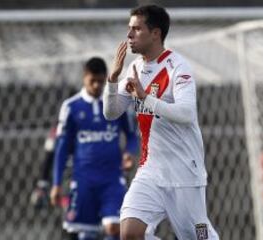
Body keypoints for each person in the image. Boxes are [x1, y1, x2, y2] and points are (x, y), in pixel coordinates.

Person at [103, 5, 219, 240]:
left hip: (184, 172)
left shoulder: (178, 67)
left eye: (136, 29)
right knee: (129, 233)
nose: (129, 35)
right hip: (151, 171)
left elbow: (186, 113)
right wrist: (113, 80)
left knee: (198, 237)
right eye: (129, 29)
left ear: (155, 33)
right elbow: (111, 113)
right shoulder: (134, 68)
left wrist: (147, 99)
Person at [50, 57, 139, 240]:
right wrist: (56, 183)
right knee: (85, 234)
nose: (97, 85)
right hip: (83, 181)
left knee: (115, 228)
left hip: (112, 180)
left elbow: (131, 135)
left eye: (101, 80)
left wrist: (129, 153)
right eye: (93, 81)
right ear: (84, 78)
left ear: (106, 77)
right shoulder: (71, 107)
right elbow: (62, 148)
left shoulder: (117, 104)